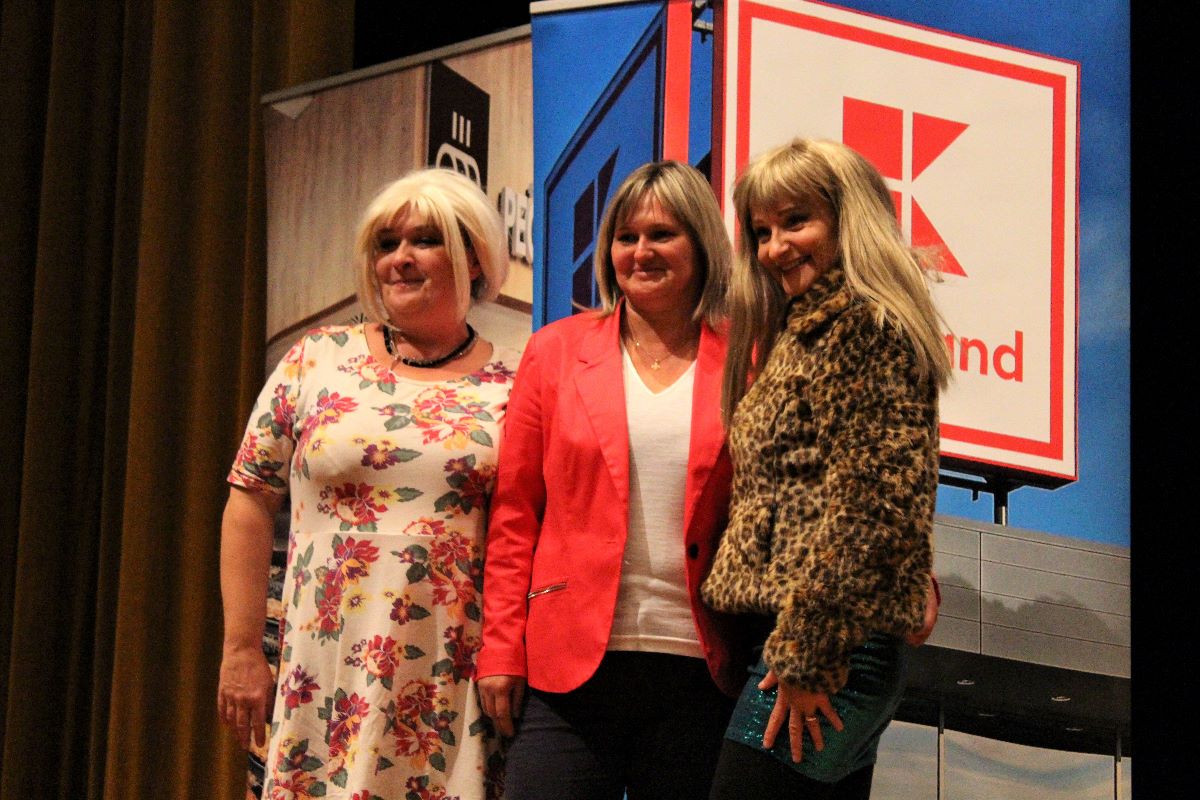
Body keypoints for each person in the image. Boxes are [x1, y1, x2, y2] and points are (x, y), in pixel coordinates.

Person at [217, 167, 517, 799]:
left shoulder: (514, 384)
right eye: (386, 244)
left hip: (448, 670)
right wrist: (242, 648)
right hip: (320, 664)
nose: (399, 259)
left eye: (425, 240)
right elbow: (249, 499)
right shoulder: (317, 358)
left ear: (475, 257)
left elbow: (526, 536)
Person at [476, 161, 753, 800]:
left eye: (663, 234)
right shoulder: (555, 351)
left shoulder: (749, 356)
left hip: (703, 673)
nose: (641, 251)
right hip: (568, 673)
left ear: (702, 245)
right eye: (626, 237)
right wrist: (500, 650)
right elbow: (516, 514)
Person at [701, 138, 948, 800]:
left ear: (849, 218)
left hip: (826, 648)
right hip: (827, 642)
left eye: (796, 221)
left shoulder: (862, 325)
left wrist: (808, 657)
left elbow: (874, 505)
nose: (774, 247)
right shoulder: (812, 329)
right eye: (761, 231)